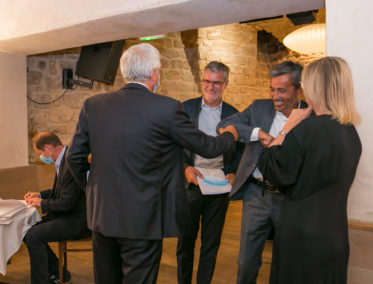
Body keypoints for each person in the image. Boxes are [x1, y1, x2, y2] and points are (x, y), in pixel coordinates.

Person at [66, 43, 238, 284]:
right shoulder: (167, 108)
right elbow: (208, 147)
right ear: (155, 73)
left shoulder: (92, 105)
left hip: (102, 215)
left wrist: (93, 188)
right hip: (143, 218)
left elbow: (73, 157)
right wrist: (231, 134)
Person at [258, 56, 362, 284]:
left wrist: (286, 128)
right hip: (335, 235)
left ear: (314, 87)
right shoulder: (351, 133)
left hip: (302, 237)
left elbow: (272, 170)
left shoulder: (306, 129)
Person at [217, 61, 307, 284]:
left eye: (282, 90)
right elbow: (225, 123)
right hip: (256, 195)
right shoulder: (259, 108)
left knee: (288, 260)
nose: (275, 96)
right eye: (272, 89)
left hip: (291, 200)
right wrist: (258, 133)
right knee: (246, 260)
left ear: (299, 89)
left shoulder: (309, 115)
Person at [176, 61, 242, 284]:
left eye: (216, 83)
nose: (211, 87)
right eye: (207, 81)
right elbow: (172, 145)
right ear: (202, 81)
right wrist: (185, 167)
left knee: (211, 244)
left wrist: (234, 173)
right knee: (185, 242)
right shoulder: (185, 109)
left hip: (219, 185)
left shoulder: (234, 115)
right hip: (191, 183)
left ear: (225, 84)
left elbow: (241, 151)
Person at [24, 132, 89, 284]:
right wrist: (39, 194)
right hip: (67, 215)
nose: (42, 157)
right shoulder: (63, 159)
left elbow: (66, 203)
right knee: (27, 230)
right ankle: (59, 274)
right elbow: (61, 191)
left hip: (77, 220)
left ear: (48, 147)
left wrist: (41, 203)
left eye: (41, 153)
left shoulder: (71, 162)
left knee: (34, 236)